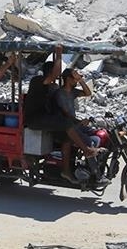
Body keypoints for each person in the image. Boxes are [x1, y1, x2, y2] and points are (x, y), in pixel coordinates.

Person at [24, 46, 99, 183]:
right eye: (54, 74)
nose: (56, 77)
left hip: (46, 118)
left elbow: (87, 93)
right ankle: (87, 151)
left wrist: (80, 80)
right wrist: (58, 54)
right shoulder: (37, 81)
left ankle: (66, 171)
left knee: (67, 138)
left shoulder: (53, 87)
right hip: (35, 119)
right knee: (67, 123)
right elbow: (54, 75)